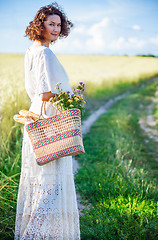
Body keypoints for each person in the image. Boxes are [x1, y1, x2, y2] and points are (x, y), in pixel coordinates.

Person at [14, 3, 81, 239]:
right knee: (51, 183)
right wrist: (70, 96)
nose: (55, 29)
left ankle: (39, 231)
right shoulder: (44, 52)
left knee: (39, 179)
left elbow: (36, 91)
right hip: (48, 117)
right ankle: (34, 234)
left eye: (58, 25)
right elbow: (44, 93)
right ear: (39, 25)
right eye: (51, 24)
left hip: (36, 114)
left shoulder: (30, 50)